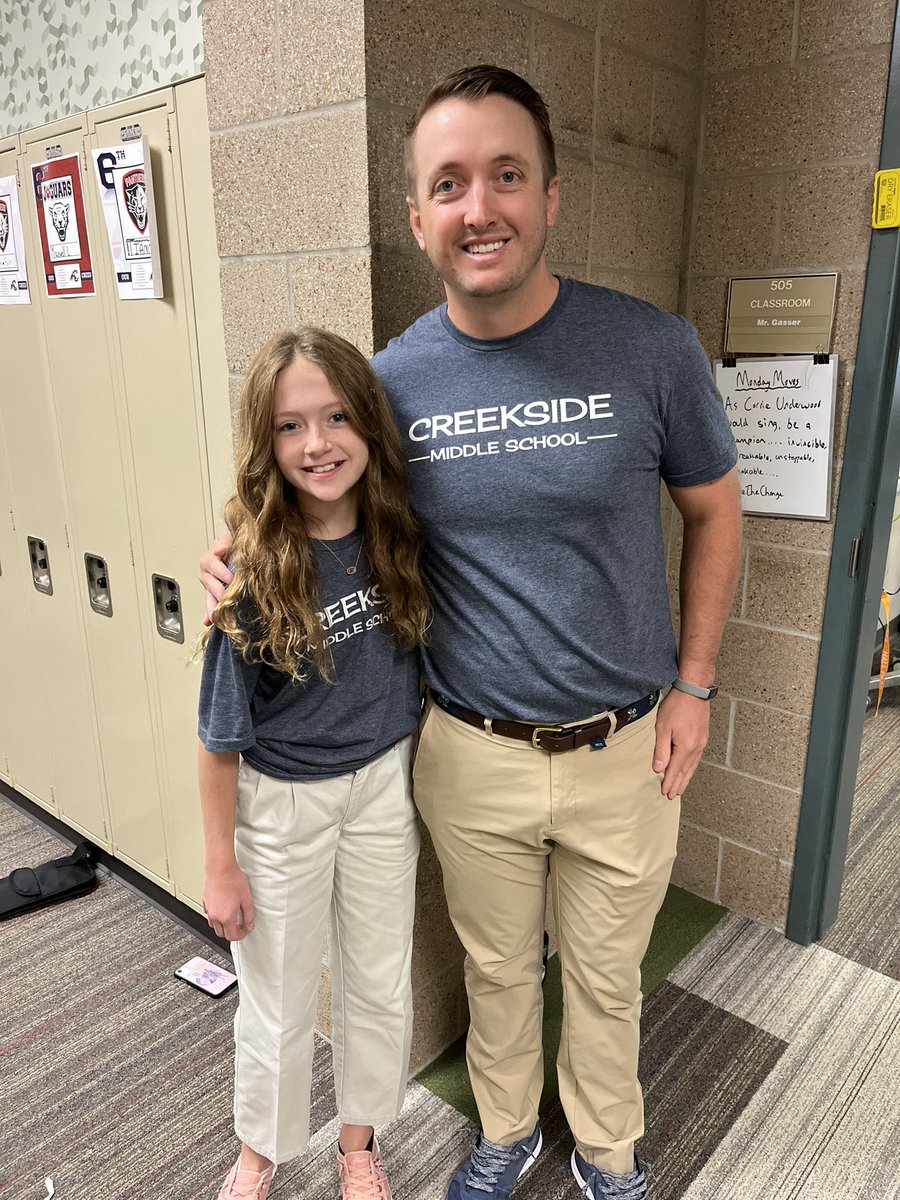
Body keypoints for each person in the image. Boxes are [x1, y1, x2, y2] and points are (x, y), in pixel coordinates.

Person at [200, 66, 742, 1200]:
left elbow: (713, 510)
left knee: (605, 976)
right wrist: (233, 551)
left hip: (628, 743)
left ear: (552, 195)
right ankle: (506, 1133)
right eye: (448, 184)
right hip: (468, 745)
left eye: (506, 175)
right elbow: (318, 488)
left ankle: (606, 1151)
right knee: (496, 972)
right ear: (416, 217)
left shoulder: (652, 350)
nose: (478, 206)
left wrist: (695, 684)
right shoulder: (390, 383)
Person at [197, 326, 431, 1200]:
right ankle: (261, 1151)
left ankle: (358, 1145)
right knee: (280, 994)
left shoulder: (399, 534)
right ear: (267, 443)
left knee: (378, 979)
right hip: (281, 802)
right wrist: (221, 865)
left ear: (368, 424)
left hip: (382, 789)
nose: (318, 444)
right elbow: (219, 737)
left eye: (336, 418)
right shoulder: (251, 572)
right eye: (291, 427)